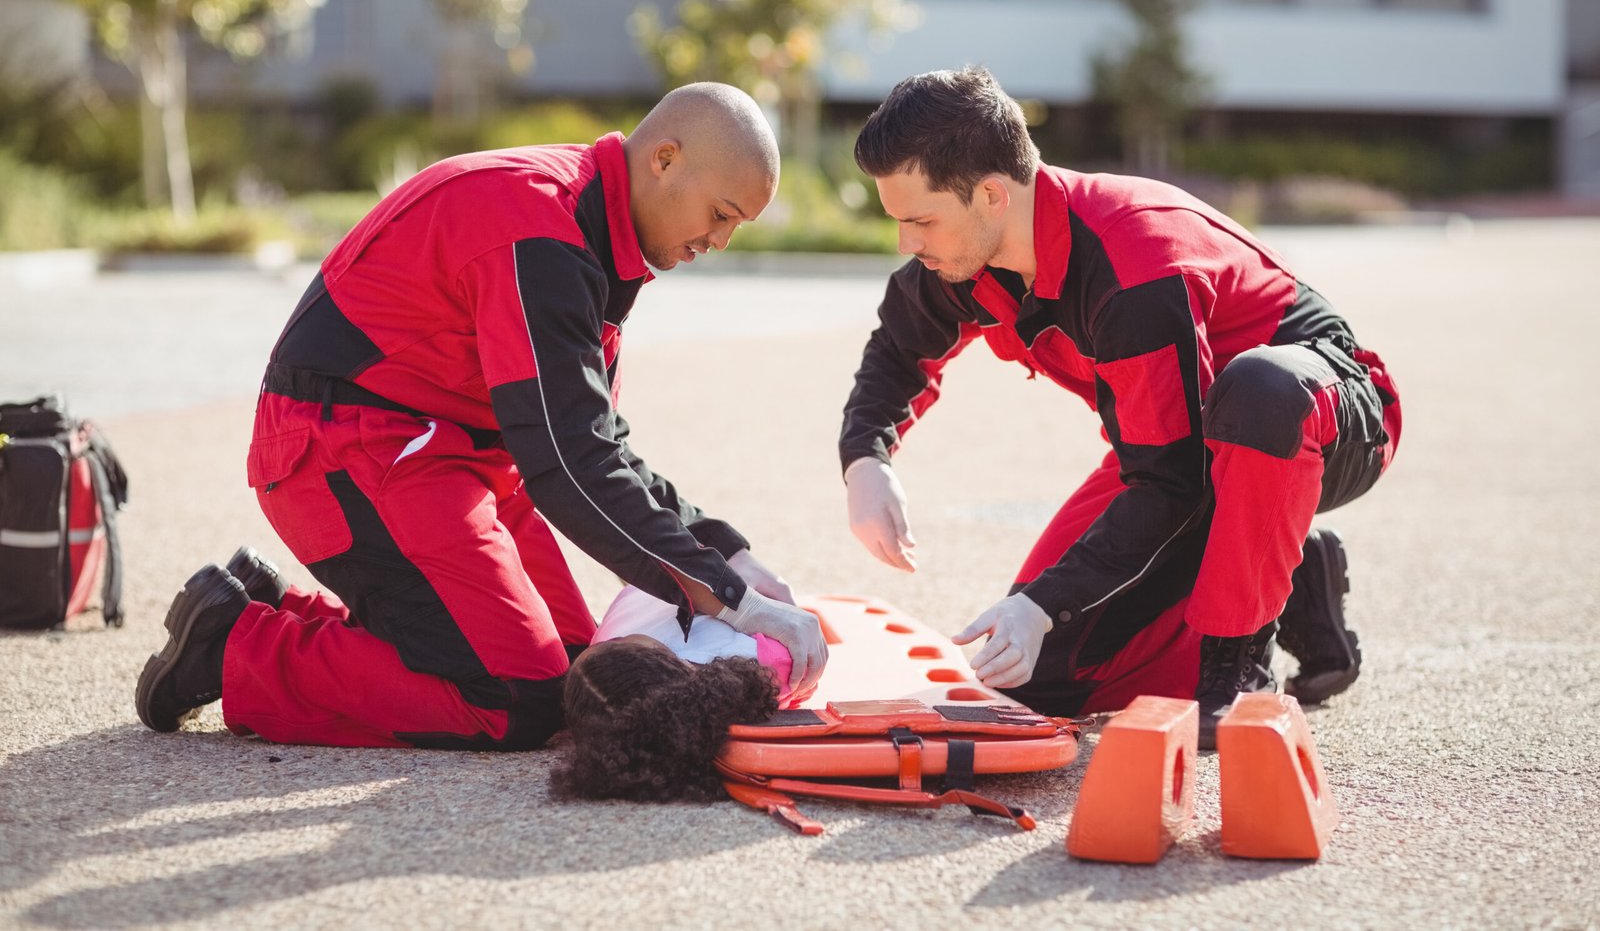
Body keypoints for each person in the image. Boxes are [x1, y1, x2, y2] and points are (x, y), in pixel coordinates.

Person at [135, 82, 827, 750]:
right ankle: (237, 645)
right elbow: (568, 463)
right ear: (665, 159)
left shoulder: (593, 224)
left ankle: (267, 605)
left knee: (580, 666)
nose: (722, 239)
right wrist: (729, 597)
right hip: (343, 447)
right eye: (723, 212)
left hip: (446, 457)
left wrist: (727, 552)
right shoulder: (543, 229)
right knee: (513, 698)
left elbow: (598, 442)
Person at [839, 67, 1401, 746]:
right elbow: (899, 348)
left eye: (919, 220)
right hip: (1178, 456)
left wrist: (1045, 601)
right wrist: (865, 457)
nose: (907, 242)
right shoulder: (965, 258)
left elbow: (1172, 482)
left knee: (1256, 390)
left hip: (1324, 412)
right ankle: (1292, 564)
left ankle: (1241, 664)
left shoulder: (1132, 266)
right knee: (1034, 678)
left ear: (991, 195)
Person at [553, 584, 793, 801]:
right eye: (617, 640)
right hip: (683, 575)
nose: (604, 638)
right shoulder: (771, 660)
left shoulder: (763, 666)